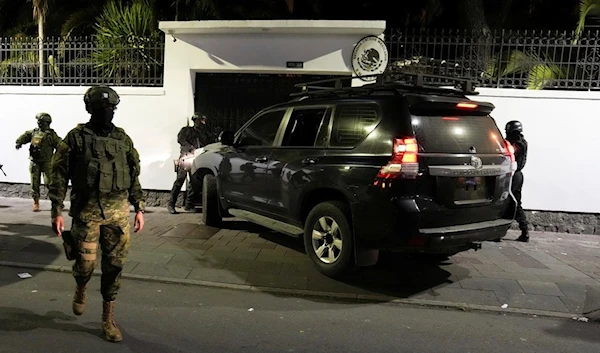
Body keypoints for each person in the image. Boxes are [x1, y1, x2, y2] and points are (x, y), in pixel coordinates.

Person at [48, 85, 145, 343]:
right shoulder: (76, 138)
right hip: (87, 213)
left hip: (117, 215)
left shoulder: (123, 140)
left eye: (110, 108)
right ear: (90, 109)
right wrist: (56, 210)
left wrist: (139, 207)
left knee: (114, 266)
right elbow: (58, 175)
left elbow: (133, 175)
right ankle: (81, 286)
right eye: (101, 108)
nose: (106, 113)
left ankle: (108, 319)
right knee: (86, 264)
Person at [167, 113, 214, 214]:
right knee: (179, 181)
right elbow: (180, 139)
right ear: (196, 121)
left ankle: (189, 204)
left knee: (194, 183)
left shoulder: (205, 134)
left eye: (203, 121)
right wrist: (190, 147)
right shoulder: (187, 131)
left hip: (196, 159)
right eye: (201, 120)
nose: (203, 123)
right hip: (186, 158)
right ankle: (171, 204)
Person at [15, 113, 61, 212]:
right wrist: (19, 142)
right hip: (34, 162)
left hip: (47, 162)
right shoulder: (34, 132)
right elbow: (25, 136)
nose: (38, 123)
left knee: (49, 182)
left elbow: (60, 145)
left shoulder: (51, 135)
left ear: (46, 123)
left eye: (40, 121)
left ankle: (56, 202)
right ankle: (36, 202)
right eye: (38, 121)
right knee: (34, 183)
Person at [506, 120, 529, 242]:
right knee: (511, 202)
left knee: (513, 202)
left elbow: (510, 152)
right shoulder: (522, 141)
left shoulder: (517, 144)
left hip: (514, 176)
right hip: (516, 175)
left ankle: (524, 230)